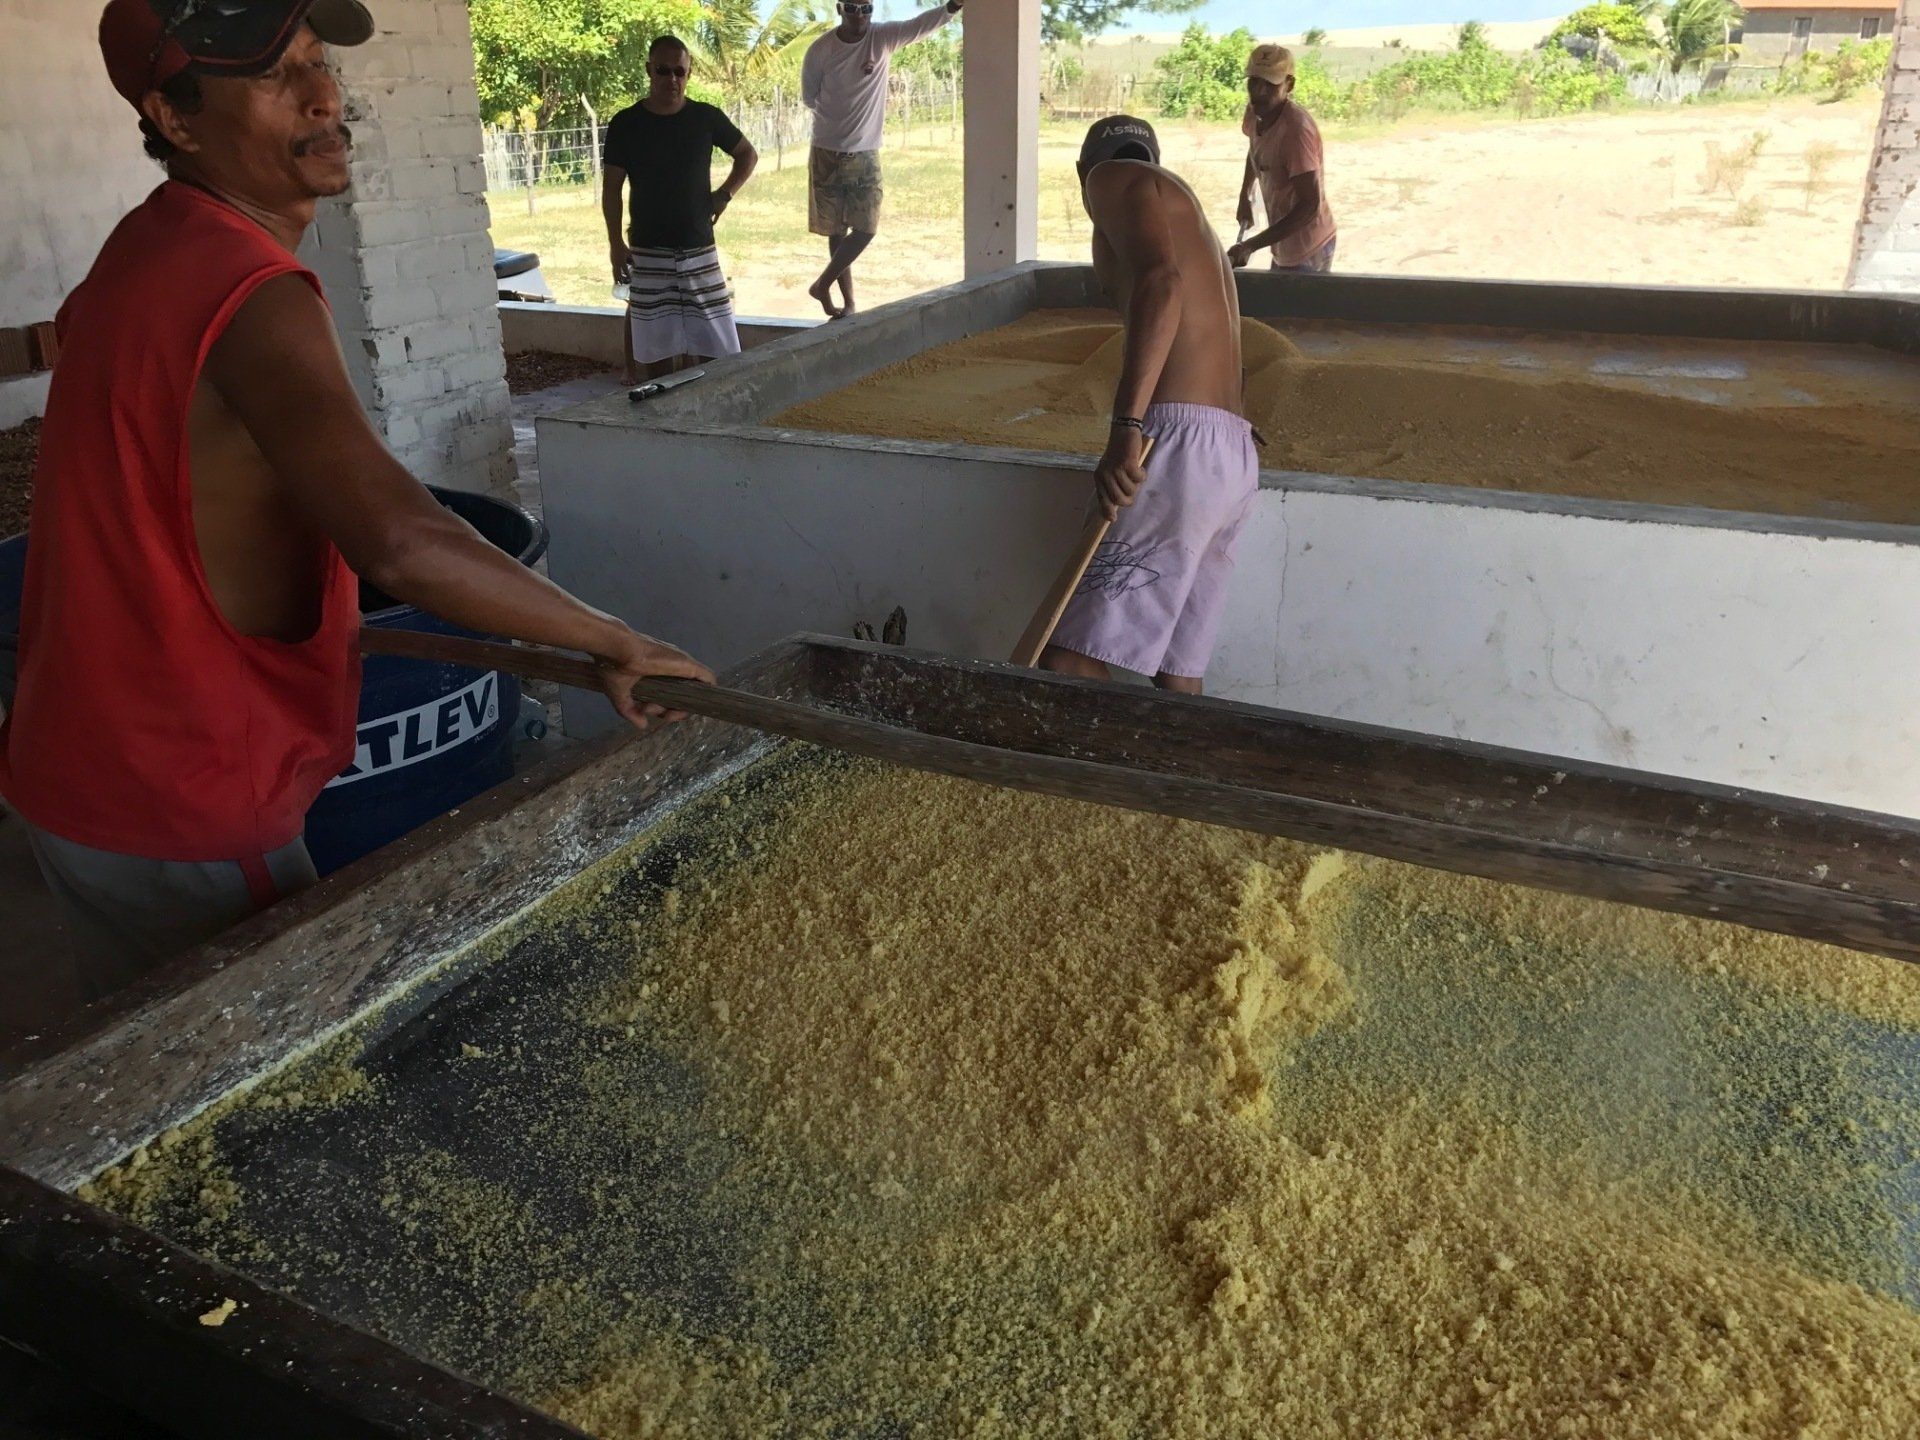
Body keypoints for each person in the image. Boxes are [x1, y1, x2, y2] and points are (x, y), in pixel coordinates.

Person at [0, 0, 713, 994]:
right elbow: (401, 541)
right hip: (181, 789)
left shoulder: (143, 251)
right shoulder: (250, 294)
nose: (324, 94)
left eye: (315, 58)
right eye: (268, 75)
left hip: (76, 767)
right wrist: (610, 641)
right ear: (173, 114)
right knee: (255, 1095)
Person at [1038, 117, 1253, 698]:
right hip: (1230, 452)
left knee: (1066, 660)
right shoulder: (1184, 210)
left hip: (1177, 444)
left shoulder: (1114, 178)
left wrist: (1126, 427)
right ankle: (1176, 783)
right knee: (1178, 675)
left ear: (1084, 172)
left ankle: (1075, 790)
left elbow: (1162, 283)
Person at [603, 35, 757, 384]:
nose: (672, 79)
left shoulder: (706, 117)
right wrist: (614, 243)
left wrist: (724, 194)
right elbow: (611, 188)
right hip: (648, 250)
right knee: (657, 356)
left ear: (688, 73)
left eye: (679, 72)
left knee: (718, 351)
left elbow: (747, 155)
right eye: (663, 70)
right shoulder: (626, 124)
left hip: (699, 249)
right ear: (648, 70)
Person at [800, 0, 961, 319]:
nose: (859, 15)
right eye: (852, 8)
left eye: (866, 8)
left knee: (866, 229)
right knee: (836, 231)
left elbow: (920, 25)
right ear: (838, 9)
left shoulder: (882, 38)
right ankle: (847, 304)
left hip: (865, 153)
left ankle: (822, 284)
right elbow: (809, 97)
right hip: (826, 151)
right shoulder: (821, 50)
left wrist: (952, 6)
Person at [1229, 44, 1338, 274]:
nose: (1259, 91)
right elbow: (1255, 150)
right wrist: (1244, 195)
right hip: (1285, 241)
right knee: (1280, 304)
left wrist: (1250, 245)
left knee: (1291, 308)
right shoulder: (1255, 111)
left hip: (1309, 245)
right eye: (1254, 81)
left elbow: (1309, 205)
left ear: (1289, 84)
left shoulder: (1296, 132)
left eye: (1270, 84)